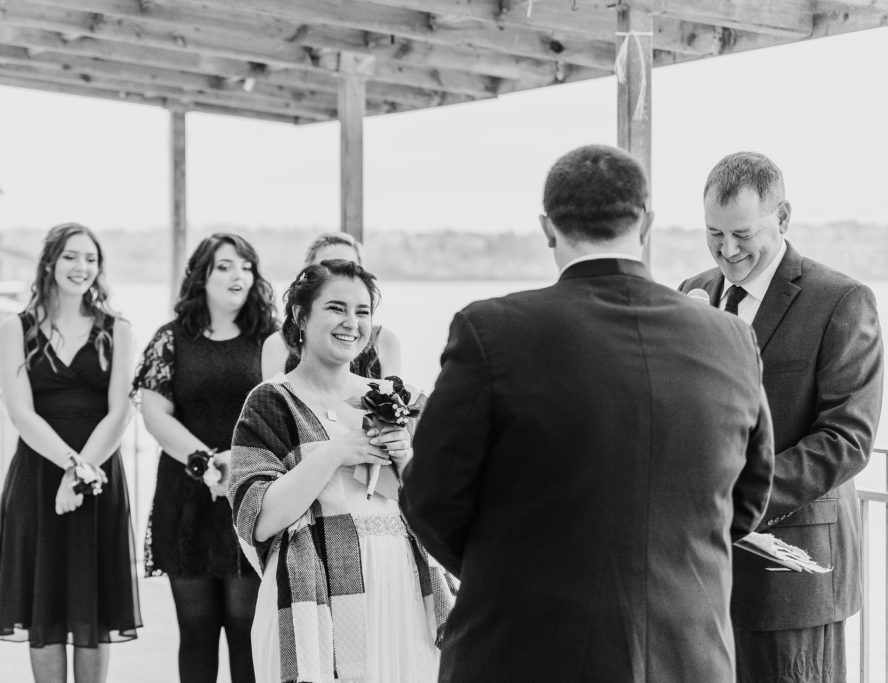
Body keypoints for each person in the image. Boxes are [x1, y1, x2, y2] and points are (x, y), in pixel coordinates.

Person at [400, 144, 776, 682]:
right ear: (645, 222)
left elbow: (430, 497)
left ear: (547, 227)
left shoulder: (491, 331)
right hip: (685, 656)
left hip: (523, 651)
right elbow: (747, 499)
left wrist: (506, 571)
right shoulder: (731, 338)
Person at [679, 151, 884, 682]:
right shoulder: (690, 293)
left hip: (793, 570)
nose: (727, 250)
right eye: (714, 233)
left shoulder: (841, 300)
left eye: (742, 235)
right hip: (696, 576)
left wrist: (736, 503)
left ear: (783, 218)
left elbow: (847, 439)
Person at [230, 259, 454, 683]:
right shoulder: (271, 401)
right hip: (316, 595)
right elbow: (257, 520)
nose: (351, 322)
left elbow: (439, 509)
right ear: (301, 315)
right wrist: (332, 454)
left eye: (363, 311)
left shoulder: (395, 398)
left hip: (401, 589)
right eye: (336, 308)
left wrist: (407, 458)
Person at [0, 222, 141, 683]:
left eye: (91, 259)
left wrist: (83, 474)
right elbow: (20, 412)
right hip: (37, 478)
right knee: (44, 608)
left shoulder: (118, 329)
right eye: (72, 256)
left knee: (96, 612)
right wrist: (71, 467)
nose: (82, 267)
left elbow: (120, 413)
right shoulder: (16, 327)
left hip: (99, 478)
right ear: (50, 262)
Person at [131, 233, 278, 683]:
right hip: (188, 493)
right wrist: (205, 462)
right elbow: (154, 411)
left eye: (246, 267)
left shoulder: (270, 341)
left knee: (246, 626)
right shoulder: (172, 338)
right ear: (202, 276)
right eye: (225, 266)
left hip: (251, 494)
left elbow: (281, 410)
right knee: (195, 629)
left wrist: (236, 462)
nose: (239, 275)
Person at [260, 232, 401, 379]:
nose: (339, 275)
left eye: (349, 268)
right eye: (328, 266)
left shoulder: (386, 342)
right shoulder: (277, 345)